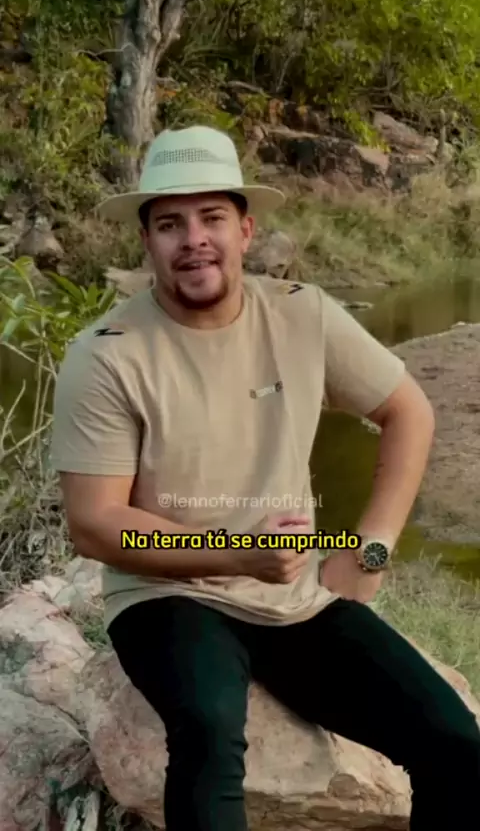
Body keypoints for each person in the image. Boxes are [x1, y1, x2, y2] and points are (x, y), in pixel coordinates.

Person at [50, 125, 480, 830]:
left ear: (246, 230)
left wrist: (371, 551)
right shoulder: (106, 355)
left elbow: (409, 411)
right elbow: (96, 523)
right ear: (146, 240)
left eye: (212, 218)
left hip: (293, 600)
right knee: (209, 731)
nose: (194, 239)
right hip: (166, 595)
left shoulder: (301, 313)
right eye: (170, 224)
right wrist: (235, 553)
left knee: (455, 741)